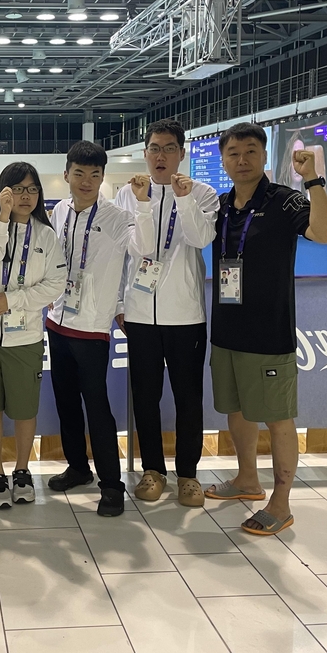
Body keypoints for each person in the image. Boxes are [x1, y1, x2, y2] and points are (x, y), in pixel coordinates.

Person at [204, 122, 327, 535]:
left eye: (250, 152)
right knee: (237, 410)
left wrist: (313, 178)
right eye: (233, 153)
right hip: (226, 330)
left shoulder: (286, 201)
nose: (241, 160)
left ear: (264, 156)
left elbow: (326, 234)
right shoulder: (223, 205)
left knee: (278, 418)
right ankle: (247, 480)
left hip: (269, 333)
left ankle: (282, 502)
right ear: (224, 160)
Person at [45, 141, 155, 516]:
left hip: (92, 327)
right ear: (67, 176)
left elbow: (142, 250)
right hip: (56, 322)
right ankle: (78, 467)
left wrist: (141, 203)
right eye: (80, 173)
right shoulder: (58, 211)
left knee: (97, 406)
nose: (87, 181)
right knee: (65, 402)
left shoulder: (118, 216)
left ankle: (111, 485)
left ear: (103, 178)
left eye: (94, 174)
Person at [114, 119, 219, 508]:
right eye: (155, 148)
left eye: (169, 148)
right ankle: (152, 469)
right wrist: (120, 305)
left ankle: (188, 474)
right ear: (145, 153)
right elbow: (126, 254)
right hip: (139, 314)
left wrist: (184, 199)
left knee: (189, 397)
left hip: (186, 313)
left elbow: (201, 238)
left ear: (182, 153)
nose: (161, 156)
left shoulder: (203, 193)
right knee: (145, 396)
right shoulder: (127, 196)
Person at [0, 163, 65, 508]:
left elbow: (55, 284)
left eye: (32, 189)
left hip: (25, 335)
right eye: (17, 189)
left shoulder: (47, 235)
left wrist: (15, 300)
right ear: (3, 192)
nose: (25, 196)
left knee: (24, 410)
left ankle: (22, 471)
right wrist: (3, 218)